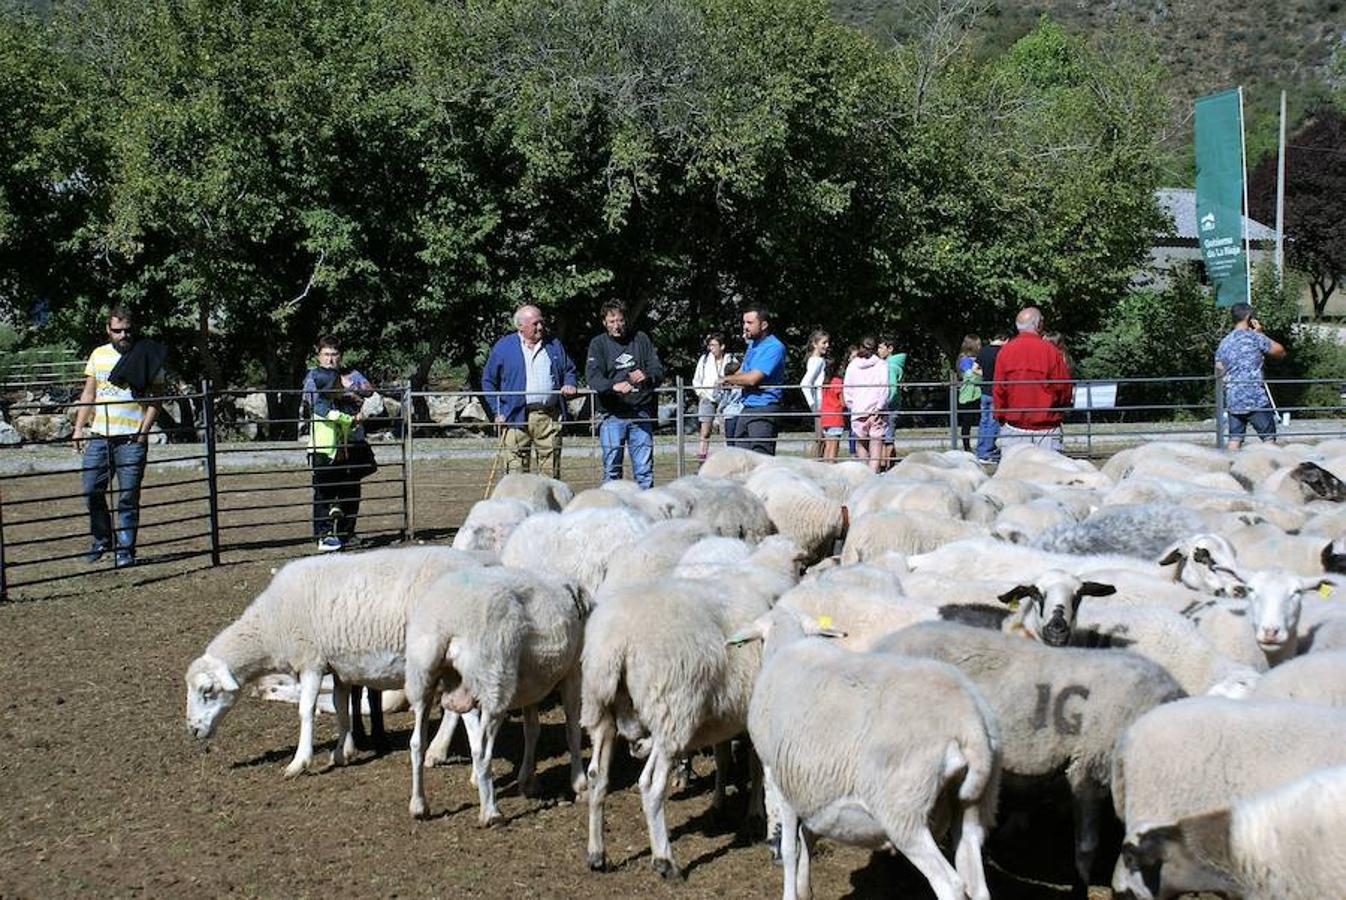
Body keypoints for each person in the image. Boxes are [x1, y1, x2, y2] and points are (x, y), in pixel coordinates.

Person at [71, 306, 164, 568]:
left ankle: (125, 549)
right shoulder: (98, 355)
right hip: (100, 435)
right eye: (117, 330)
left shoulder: (146, 355)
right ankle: (102, 539)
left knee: (128, 495)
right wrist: (79, 427)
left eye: (127, 330)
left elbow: (157, 397)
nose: (123, 335)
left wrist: (143, 432)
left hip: (132, 438)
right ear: (108, 329)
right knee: (91, 489)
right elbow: (89, 394)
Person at [481, 304, 579, 479]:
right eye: (535, 323)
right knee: (516, 473)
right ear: (520, 326)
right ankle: (520, 505)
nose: (540, 327)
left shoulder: (553, 344)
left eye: (541, 322)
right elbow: (488, 381)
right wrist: (497, 412)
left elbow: (569, 370)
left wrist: (569, 384)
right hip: (514, 417)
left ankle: (548, 506)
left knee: (550, 472)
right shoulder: (504, 347)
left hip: (548, 416)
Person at [586, 300, 664, 488]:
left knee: (644, 471)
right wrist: (614, 386)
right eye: (611, 321)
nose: (617, 326)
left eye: (620, 320)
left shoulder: (641, 339)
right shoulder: (598, 344)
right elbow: (593, 377)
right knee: (611, 469)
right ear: (604, 322)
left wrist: (646, 376)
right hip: (612, 414)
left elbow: (657, 370)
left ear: (626, 320)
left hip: (640, 413)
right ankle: (612, 511)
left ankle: (647, 511)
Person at [303, 336, 367, 551]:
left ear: (341, 356)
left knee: (351, 489)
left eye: (334, 354)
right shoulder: (313, 376)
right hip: (326, 442)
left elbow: (368, 392)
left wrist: (351, 390)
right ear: (319, 355)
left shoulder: (351, 374)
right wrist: (345, 400)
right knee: (324, 490)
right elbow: (313, 401)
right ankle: (323, 533)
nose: (330, 359)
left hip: (351, 440)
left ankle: (347, 532)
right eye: (326, 354)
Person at [992, 306, 1073, 452]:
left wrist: (1001, 417)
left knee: (1014, 473)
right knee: (1050, 473)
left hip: (1014, 428)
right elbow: (1063, 387)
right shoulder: (1051, 352)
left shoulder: (1005, 351)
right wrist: (1060, 410)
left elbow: (999, 389)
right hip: (1046, 428)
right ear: (1039, 324)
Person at [1215, 302, 1286, 450]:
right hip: (1255, 397)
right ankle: (1270, 467)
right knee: (1268, 439)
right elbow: (1280, 351)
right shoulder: (1254, 338)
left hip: (1233, 398)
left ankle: (1229, 466)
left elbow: (1219, 370)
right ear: (1249, 318)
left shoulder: (1224, 343)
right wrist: (1260, 333)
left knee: (1235, 438)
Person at [721, 306, 786, 456]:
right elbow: (744, 373)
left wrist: (726, 379)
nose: (745, 327)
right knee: (740, 458)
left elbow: (752, 378)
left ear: (763, 325)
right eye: (744, 322)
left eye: (750, 323)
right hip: (747, 406)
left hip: (763, 408)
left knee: (761, 459)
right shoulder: (752, 346)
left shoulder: (774, 347)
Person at [844, 336, 889, 472]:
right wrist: (879, 407)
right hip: (876, 410)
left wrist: (852, 406)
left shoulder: (852, 366)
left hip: (858, 410)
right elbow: (884, 387)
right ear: (876, 349)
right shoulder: (882, 365)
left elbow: (848, 389)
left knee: (861, 443)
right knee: (876, 443)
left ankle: (864, 473)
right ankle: (873, 474)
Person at [692, 334, 732, 462]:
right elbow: (696, 379)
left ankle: (729, 459)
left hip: (725, 398)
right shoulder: (704, 360)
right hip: (707, 397)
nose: (711, 348)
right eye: (710, 345)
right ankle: (702, 458)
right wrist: (701, 393)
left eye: (714, 345)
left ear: (722, 346)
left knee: (726, 431)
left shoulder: (731, 359)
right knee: (705, 431)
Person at [974, 332, 1007, 462]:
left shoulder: (984, 350)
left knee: (984, 421)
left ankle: (981, 449)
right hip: (996, 391)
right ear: (1005, 339)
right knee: (994, 422)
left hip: (984, 390)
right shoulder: (1002, 352)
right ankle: (987, 451)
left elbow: (974, 368)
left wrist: (986, 374)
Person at [799, 329, 830, 457]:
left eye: (827, 343)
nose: (827, 346)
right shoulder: (817, 361)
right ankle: (817, 463)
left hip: (820, 401)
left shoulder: (816, 360)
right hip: (819, 402)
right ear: (815, 344)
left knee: (821, 437)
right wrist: (813, 405)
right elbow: (805, 384)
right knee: (821, 438)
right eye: (824, 343)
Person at [877, 336, 907, 469]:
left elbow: (892, 388)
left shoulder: (890, 366)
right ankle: (887, 464)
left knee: (887, 437)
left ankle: (886, 465)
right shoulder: (893, 364)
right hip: (892, 405)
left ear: (890, 349)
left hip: (889, 406)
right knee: (887, 435)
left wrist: (885, 402)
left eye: (881, 348)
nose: (878, 351)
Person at [956, 335, 983, 453]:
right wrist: (982, 376)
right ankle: (966, 447)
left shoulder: (977, 359)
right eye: (978, 344)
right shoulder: (964, 360)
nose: (980, 346)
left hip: (978, 394)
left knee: (982, 420)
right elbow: (970, 377)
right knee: (967, 422)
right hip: (968, 396)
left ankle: (982, 445)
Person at [818, 357, 846, 461]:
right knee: (834, 449)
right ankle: (831, 469)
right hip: (835, 418)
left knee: (827, 447)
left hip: (825, 417)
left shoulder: (824, 382)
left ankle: (825, 469)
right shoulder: (837, 382)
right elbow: (842, 402)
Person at [720, 359, 745, 448]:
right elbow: (719, 398)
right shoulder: (727, 388)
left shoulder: (742, 385)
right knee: (730, 441)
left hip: (741, 413)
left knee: (741, 440)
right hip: (730, 415)